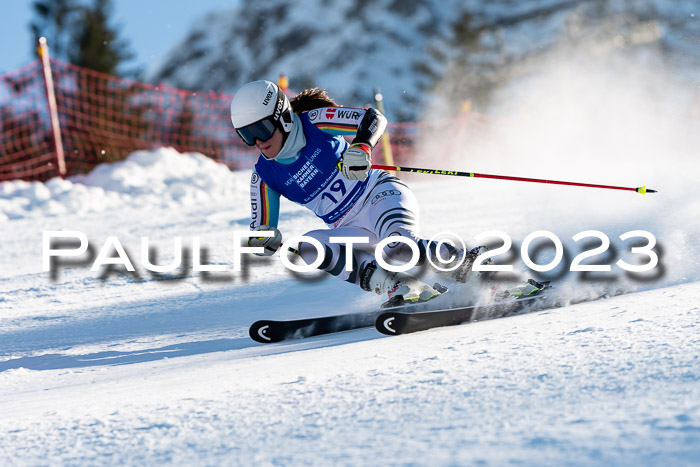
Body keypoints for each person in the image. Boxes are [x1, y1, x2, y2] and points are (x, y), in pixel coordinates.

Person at [230, 80, 481, 304]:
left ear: (282, 117)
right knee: (306, 247)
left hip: (378, 195)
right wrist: (263, 240)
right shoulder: (263, 175)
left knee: (398, 248)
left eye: (261, 130)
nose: (258, 142)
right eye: (247, 135)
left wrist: (362, 146)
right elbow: (262, 229)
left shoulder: (315, 122)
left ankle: (474, 267)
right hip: (350, 228)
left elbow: (373, 119)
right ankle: (399, 286)